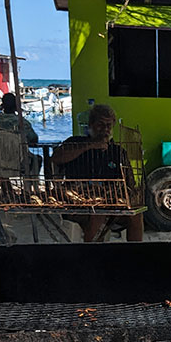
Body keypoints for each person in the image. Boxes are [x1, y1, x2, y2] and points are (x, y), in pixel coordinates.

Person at [53, 103, 142, 242]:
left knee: (136, 215)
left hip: (110, 201)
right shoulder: (75, 142)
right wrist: (90, 146)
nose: (105, 129)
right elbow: (56, 158)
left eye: (108, 126)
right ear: (91, 125)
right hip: (77, 201)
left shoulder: (117, 151)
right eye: (101, 125)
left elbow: (130, 182)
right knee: (99, 211)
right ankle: (93, 255)